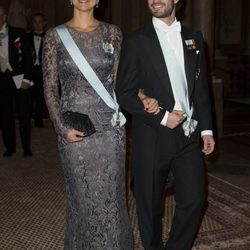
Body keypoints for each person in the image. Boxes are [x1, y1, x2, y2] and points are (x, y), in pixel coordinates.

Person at [116, 0, 216, 249]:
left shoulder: (194, 38)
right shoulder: (136, 41)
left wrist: (206, 129)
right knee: (149, 206)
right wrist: (161, 116)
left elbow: (201, 90)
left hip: (188, 134)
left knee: (194, 200)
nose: (154, 0)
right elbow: (124, 92)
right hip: (152, 135)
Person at [42, 0, 133, 249]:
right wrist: (61, 128)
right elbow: (50, 88)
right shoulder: (54, 37)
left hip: (110, 131)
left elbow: (119, 83)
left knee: (112, 197)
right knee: (81, 198)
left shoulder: (113, 33)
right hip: (74, 130)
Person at [0, 6, 33, 157]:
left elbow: (28, 57)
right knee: (5, 115)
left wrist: (27, 78)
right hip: (2, 80)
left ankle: (26, 147)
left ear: (4, 17)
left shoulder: (18, 32)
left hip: (20, 79)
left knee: (24, 113)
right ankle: (10, 147)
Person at [29, 13, 46, 128]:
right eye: (35, 21)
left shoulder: (49, 36)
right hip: (30, 69)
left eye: (40, 21)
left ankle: (38, 119)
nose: (37, 24)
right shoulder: (27, 37)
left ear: (44, 23)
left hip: (42, 70)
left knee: (40, 95)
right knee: (29, 95)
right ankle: (28, 116)